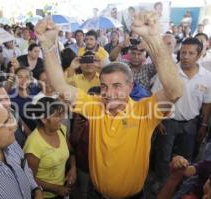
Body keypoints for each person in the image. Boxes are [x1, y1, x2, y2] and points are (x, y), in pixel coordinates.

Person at [34, 11, 183, 198]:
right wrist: (48, 46)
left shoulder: (144, 111)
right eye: (103, 86)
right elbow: (60, 86)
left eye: (117, 86)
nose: (109, 93)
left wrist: (154, 39)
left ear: (130, 87)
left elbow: (175, 92)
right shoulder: (95, 106)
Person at [152, 38, 211, 188]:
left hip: (191, 123)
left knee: (185, 157)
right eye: (183, 52)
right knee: (163, 155)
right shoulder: (168, 72)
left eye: (191, 53)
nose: (185, 56)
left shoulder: (207, 76)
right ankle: (161, 181)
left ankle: (179, 183)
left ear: (199, 55)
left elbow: (206, 103)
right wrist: (158, 120)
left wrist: (203, 124)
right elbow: (155, 97)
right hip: (168, 122)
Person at [24, 97, 76, 199]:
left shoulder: (61, 129)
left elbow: (71, 152)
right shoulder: (34, 144)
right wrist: (57, 189)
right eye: (57, 115)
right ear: (44, 119)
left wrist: (73, 169)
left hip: (63, 190)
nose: (62, 118)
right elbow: (30, 178)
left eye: (62, 114)